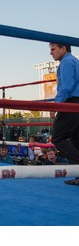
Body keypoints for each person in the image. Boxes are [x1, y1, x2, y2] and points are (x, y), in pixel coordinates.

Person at [49, 43, 79, 186]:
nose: (51, 53)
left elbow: (66, 87)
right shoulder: (75, 61)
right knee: (76, 139)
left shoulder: (67, 62)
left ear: (63, 48)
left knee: (58, 137)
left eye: (53, 49)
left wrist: (56, 105)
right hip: (76, 103)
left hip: (71, 102)